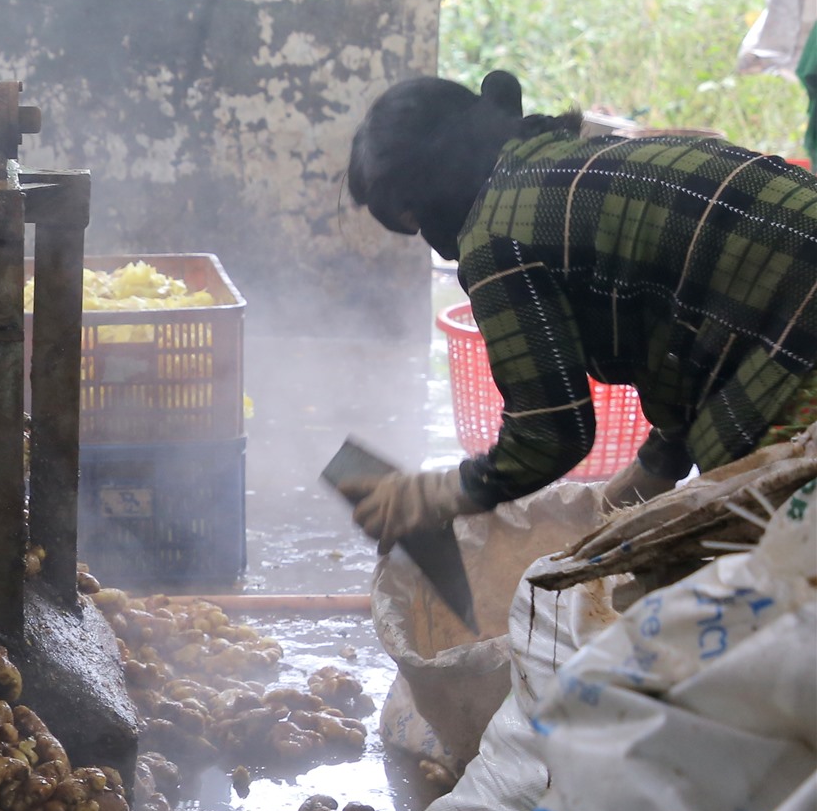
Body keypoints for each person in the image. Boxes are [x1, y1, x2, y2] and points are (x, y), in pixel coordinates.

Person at [341, 70, 817, 548]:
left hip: (803, 335)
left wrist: (431, 495)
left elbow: (551, 431)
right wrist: (652, 471)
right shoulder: (563, 163)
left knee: (771, 574)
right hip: (795, 295)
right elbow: (684, 319)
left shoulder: (498, 234)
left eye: (412, 218)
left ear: (426, 193)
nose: (438, 246)